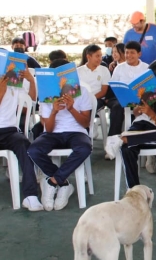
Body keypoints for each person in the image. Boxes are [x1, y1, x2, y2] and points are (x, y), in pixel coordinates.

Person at [27, 59, 93, 211]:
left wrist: (71, 109)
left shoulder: (81, 91)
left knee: (84, 148)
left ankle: (53, 181)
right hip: (53, 133)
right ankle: (64, 184)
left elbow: (85, 123)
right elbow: (48, 129)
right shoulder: (46, 95)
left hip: (76, 132)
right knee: (33, 150)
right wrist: (54, 111)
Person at [105, 60, 156, 188]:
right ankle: (134, 189)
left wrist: (152, 115)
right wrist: (138, 107)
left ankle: (123, 138)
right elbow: (137, 114)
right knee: (126, 149)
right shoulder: (148, 92)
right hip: (140, 125)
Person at [0, 68, 43, 211]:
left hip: (9, 131)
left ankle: (30, 196)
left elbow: (30, 103)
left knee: (25, 145)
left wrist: (31, 80)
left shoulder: (14, 84)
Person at [107, 42, 149, 139]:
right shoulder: (119, 68)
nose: (128, 55)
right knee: (117, 106)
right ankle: (113, 139)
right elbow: (113, 85)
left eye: (132, 53)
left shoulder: (146, 68)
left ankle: (138, 136)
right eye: (126, 53)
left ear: (139, 54)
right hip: (122, 99)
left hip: (141, 99)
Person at [77, 44, 110, 109]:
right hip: (81, 100)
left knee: (88, 108)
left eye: (101, 56)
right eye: (97, 56)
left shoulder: (104, 70)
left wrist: (90, 99)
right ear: (89, 57)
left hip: (97, 99)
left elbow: (103, 92)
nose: (100, 59)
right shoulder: (78, 71)